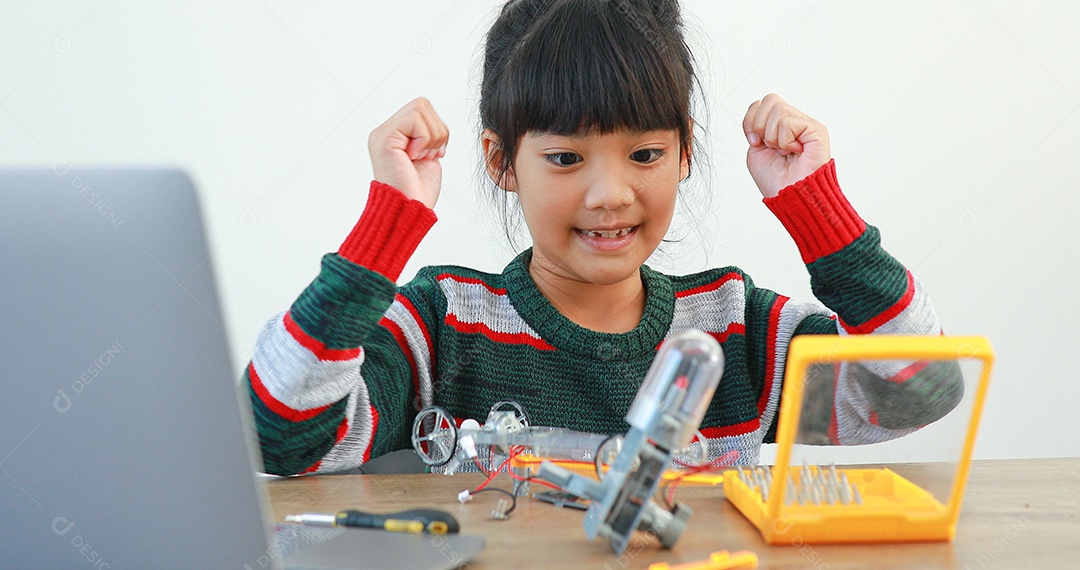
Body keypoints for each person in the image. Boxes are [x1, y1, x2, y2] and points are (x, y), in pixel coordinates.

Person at [244, 0, 953, 476]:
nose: (611, 193)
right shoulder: (443, 324)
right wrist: (383, 230)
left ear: (684, 155)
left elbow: (920, 390)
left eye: (644, 155)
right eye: (565, 158)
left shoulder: (739, 333)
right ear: (501, 162)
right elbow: (283, 432)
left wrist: (817, 211)